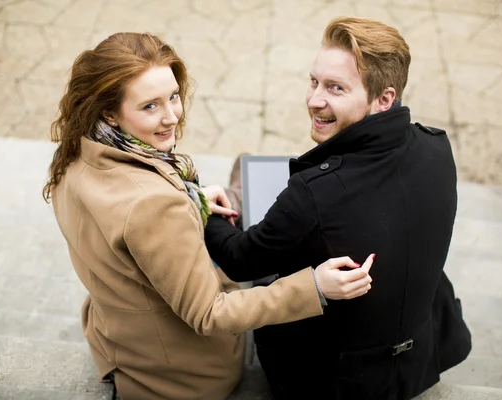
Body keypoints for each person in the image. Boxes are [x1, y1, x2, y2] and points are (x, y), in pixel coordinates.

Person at [42, 32, 376, 400]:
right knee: (256, 218)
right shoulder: (152, 207)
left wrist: (194, 201)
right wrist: (313, 287)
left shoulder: (78, 153)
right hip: (188, 374)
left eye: (172, 96)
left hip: (117, 339)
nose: (172, 116)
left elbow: (122, 226)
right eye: (149, 106)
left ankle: (236, 188)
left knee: (238, 197)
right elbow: (210, 314)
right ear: (109, 110)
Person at [205, 16, 472, 400]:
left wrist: (208, 210)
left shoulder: (313, 193)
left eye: (336, 88)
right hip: (419, 361)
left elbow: (239, 259)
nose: (315, 100)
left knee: (246, 203)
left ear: (384, 99)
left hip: (329, 382)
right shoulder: (437, 147)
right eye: (314, 82)